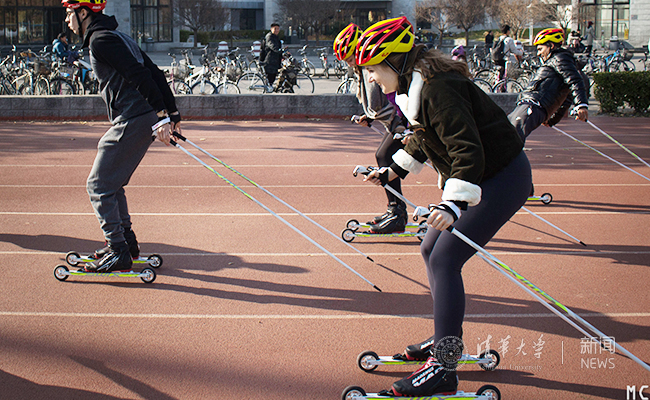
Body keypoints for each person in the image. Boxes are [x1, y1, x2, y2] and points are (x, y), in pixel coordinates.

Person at [356, 17, 531, 397]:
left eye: (372, 68)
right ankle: (444, 339)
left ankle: (444, 368)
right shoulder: (419, 86)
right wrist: (393, 170)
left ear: (395, 62)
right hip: (482, 175)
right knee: (429, 248)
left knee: (445, 259)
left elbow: (466, 148)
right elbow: (426, 135)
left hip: (501, 177)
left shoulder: (439, 88)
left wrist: (452, 204)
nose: (370, 77)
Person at [62, 0, 180, 272]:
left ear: (83, 13)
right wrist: (172, 113)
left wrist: (163, 115)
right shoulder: (117, 36)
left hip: (134, 117)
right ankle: (126, 243)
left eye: (69, 14)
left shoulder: (101, 41)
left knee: (98, 185)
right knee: (113, 183)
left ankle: (118, 250)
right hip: (139, 116)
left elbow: (139, 74)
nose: (67, 21)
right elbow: (154, 72)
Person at [333, 23, 408, 233]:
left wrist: (400, 124)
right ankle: (395, 209)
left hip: (400, 122)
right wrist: (369, 117)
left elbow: (389, 99)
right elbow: (376, 105)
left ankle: (397, 212)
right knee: (383, 156)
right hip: (392, 122)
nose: (349, 64)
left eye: (350, 59)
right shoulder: (362, 71)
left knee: (384, 156)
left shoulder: (374, 68)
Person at [508, 28, 589, 142]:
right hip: (529, 104)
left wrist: (581, 105)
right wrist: (552, 120)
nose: (538, 53)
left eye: (540, 49)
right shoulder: (557, 61)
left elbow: (575, 80)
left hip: (533, 105)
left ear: (551, 45)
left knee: (510, 139)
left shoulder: (560, 58)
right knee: (504, 132)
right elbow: (567, 97)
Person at [260, 23, 282, 88]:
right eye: (275, 29)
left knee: (273, 77)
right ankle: (267, 90)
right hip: (269, 60)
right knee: (270, 77)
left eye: (278, 29)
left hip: (275, 60)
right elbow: (272, 45)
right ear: (271, 29)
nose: (277, 30)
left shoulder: (276, 37)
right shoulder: (269, 37)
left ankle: (270, 88)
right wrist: (278, 50)